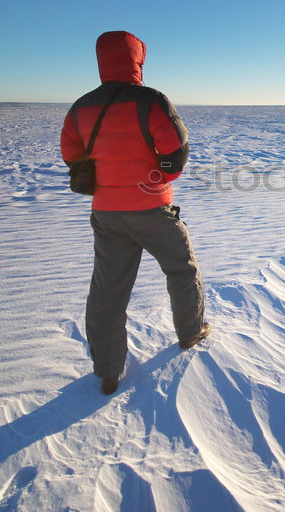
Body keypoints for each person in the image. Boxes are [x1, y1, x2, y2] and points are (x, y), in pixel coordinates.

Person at [60, 30, 210, 395]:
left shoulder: (81, 106)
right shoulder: (151, 100)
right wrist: (158, 179)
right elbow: (176, 153)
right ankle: (190, 333)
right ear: (138, 58)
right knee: (181, 269)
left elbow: (71, 155)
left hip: (107, 213)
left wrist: (107, 181)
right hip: (152, 208)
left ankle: (108, 371)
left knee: (108, 291)